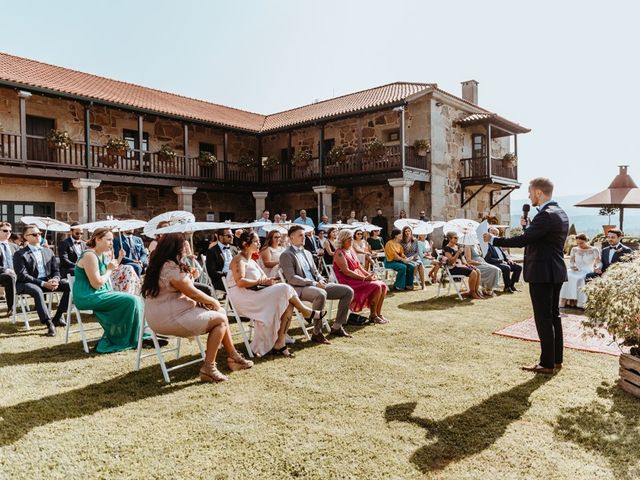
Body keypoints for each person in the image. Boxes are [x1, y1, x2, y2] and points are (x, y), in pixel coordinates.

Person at [484, 177, 569, 374]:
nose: (528, 195)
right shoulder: (559, 212)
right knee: (554, 315)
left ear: (539, 192)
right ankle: (556, 360)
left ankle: (546, 363)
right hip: (555, 270)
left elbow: (524, 241)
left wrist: (494, 240)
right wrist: (528, 226)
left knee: (543, 318)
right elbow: (540, 238)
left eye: (530, 191)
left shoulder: (545, 215)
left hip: (542, 273)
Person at [142, 233, 253, 382]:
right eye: (184, 246)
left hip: (164, 314)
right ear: (176, 249)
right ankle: (209, 367)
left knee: (220, 312)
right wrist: (213, 301)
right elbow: (193, 293)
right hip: (169, 318)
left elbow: (176, 287)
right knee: (220, 318)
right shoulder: (170, 269)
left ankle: (233, 356)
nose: (186, 248)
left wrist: (189, 277)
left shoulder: (162, 263)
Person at [226, 231, 325, 358]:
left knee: (288, 302)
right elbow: (240, 282)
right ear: (245, 244)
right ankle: (306, 311)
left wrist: (269, 281)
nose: (259, 243)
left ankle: (280, 343)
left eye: (258, 241)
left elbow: (261, 280)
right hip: (244, 298)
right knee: (285, 287)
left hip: (256, 293)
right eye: (256, 241)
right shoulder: (238, 259)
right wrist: (261, 281)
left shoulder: (252, 261)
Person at [73, 228, 147, 353]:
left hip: (101, 292)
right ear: (97, 239)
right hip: (88, 295)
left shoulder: (100, 255)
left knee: (136, 300)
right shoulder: (89, 255)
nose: (112, 243)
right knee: (131, 300)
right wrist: (109, 269)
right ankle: (126, 338)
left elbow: (110, 270)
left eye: (112, 240)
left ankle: (139, 336)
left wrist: (118, 259)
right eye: (108, 239)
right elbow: (96, 284)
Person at [280, 225, 355, 342]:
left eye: (304, 235)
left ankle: (337, 326)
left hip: (316, 284)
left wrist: (320, 279)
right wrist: (314, 283)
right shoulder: (286, 255)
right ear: (291, 238)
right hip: (299, 288)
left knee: (347, 291)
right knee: (320, 294)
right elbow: (292, 278)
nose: (303, 238)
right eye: (300, 235)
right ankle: (317, 332)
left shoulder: (308, 253)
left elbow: (316, 272)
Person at [13, 224, 70, 336]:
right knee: (37, 290)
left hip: (47, 281)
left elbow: (56, 270)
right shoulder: (19, 254)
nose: (38, 236)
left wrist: (56, 279)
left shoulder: (48, 251)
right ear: (25, 237)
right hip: (27, 283)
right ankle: (48, 323)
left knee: (69, 286)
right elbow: (22, 275)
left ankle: (57, 317)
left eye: (39, 233)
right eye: (34, 234)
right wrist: (43, 283)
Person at [333, 229, 389, 323]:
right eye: (349, 239)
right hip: (348, 281)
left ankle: (378, 314)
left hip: (357, 278)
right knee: (376, 286)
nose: (351, 240)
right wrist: (364, 278)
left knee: (382, 285)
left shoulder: (350, 250)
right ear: (342, 240)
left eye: (351, 238)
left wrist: (369, 275)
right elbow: (346, 272)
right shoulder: (339, 253)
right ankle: (373, 315)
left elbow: (359, 266)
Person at [559, 233, 600, 308]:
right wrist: (572, 266)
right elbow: (571, 261)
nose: (579, 245)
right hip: (576, 269)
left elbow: (598, 262)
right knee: (567, 275)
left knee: (580, 278)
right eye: (577, 243)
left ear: (586, 241)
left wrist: (597, 267)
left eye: (581, 243)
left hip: (587, 270)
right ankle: (564, 300)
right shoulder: (574, 249)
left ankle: (580, 301)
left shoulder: (594, 249)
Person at [443, 231, 483, 299]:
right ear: (450, 239)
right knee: (473, 273)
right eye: (455, 238)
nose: (457, 239)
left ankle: (476, 291)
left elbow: (463, 260)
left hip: (460, 266)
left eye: (457, 237)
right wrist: (458, 253)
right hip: (453, 269)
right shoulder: (447, 248)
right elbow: (451, 262)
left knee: (478, 271)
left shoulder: (457, 246)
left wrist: (468, 265)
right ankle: (472, 292)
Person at [0, 222, 18, 317]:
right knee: (9, 277)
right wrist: (6, 270)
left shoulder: (14, 246)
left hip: (15, 272)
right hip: (2, 273)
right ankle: (11, 307)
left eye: (10, 231)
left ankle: (37, 305)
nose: (8, 233)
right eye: (5, 230)